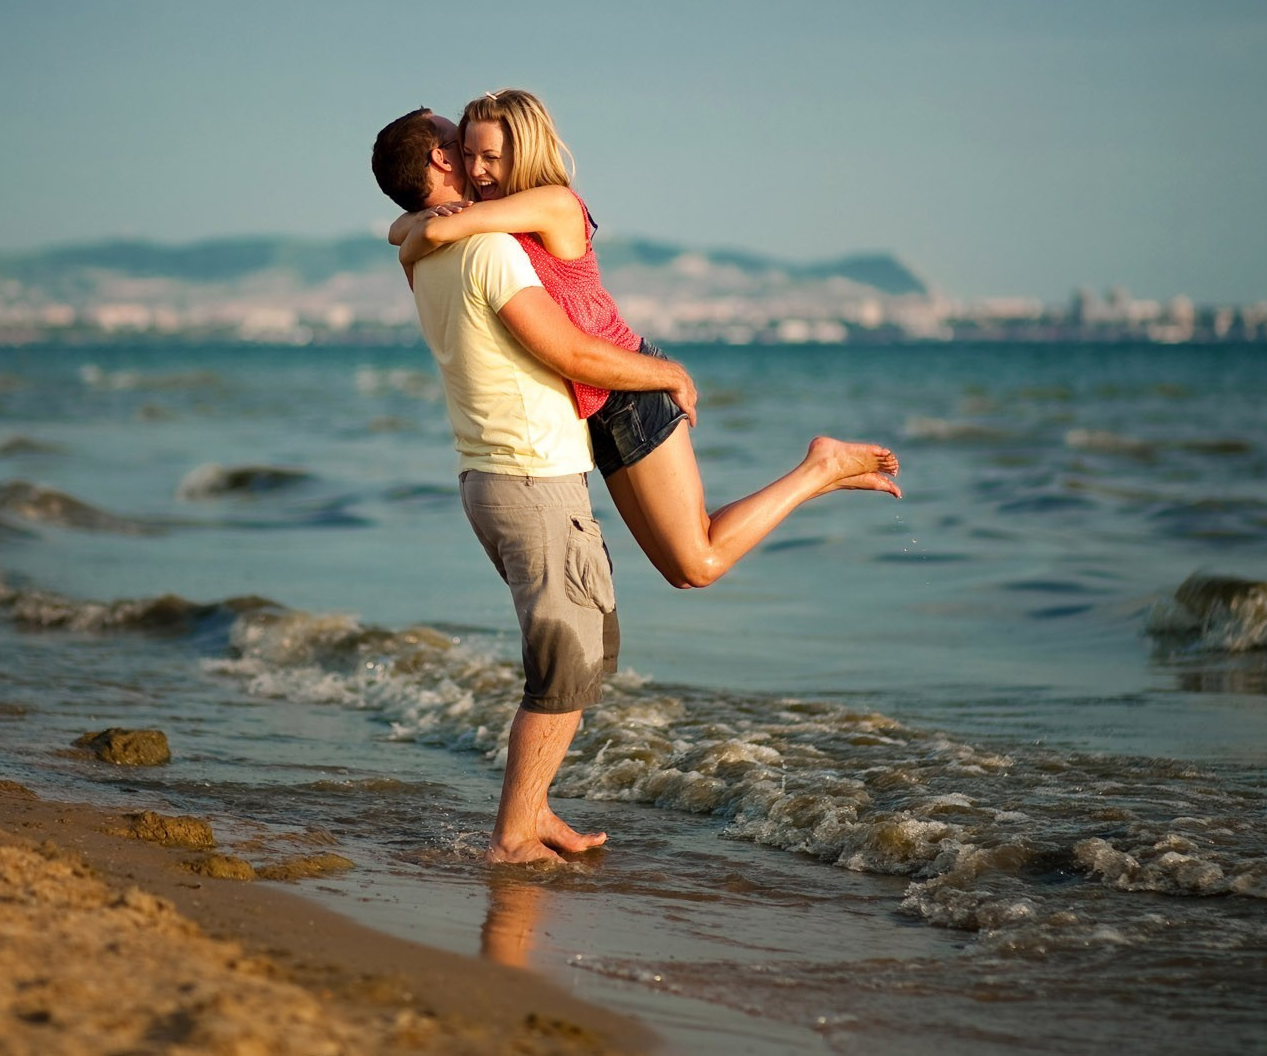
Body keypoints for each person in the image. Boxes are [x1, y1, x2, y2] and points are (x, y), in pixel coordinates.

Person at [389, 89, 900, 593]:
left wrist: (418, 236)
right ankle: (825, 472)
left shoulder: (554, 203)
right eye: (471, 154)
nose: (478, 171)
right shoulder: (497, 209)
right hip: (595, 403)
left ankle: (821, 466)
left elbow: (424, 235)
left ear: (523, 151)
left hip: (629, 382)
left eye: (491, 157)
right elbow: (401, 228)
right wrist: (417, 228)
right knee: (680, 568)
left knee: (699, 564)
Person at [371, 106, 697, 864]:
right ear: (444, 163)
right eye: (462, 145)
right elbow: (572, 351)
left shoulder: (422, 254)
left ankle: (534, 809)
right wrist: (668, 372)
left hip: (488, 478)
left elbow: (410, 232)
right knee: (562, 669)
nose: (482, 162)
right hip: (531, 478)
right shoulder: (489, 251)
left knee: (580, 651)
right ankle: (514, 833)